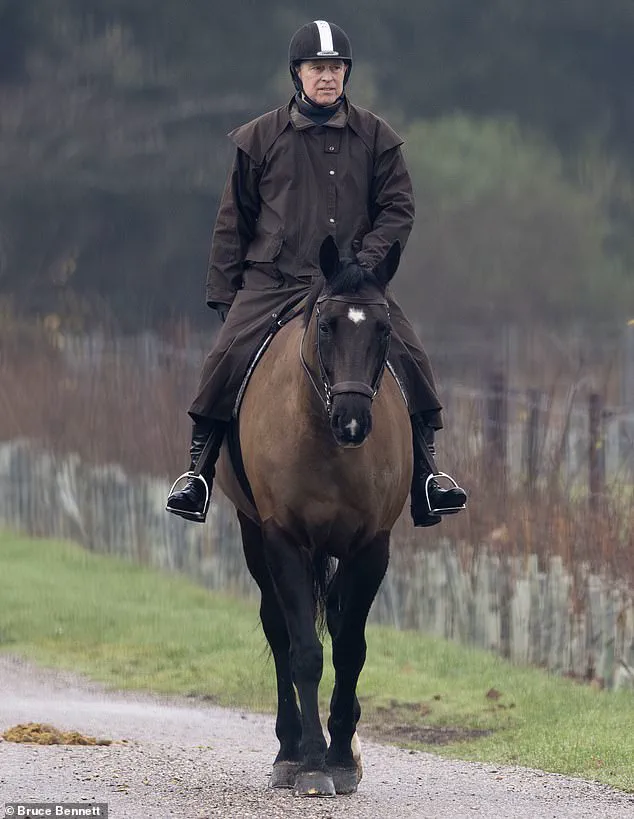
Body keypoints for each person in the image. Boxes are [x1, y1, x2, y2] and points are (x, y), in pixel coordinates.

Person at [166, 20, 467, 527]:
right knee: (224, 357)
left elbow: (397, 210)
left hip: (352, 283)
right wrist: (226, 294)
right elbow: (232, 220)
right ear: (297, 74)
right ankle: (196, 473)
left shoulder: (378, 138)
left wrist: (365, 268)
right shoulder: (258, 139)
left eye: (336, 68)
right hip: (273, 282)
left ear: (346, 73)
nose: (327, 77)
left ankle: (429, 476)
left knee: (411, 356)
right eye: (317, 68)